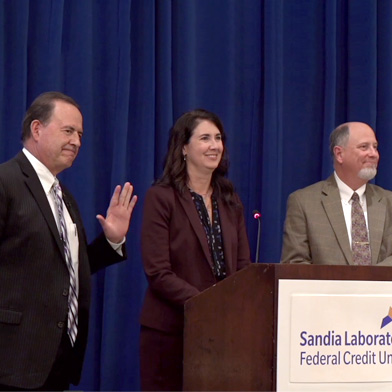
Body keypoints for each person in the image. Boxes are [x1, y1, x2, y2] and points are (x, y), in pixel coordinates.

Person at [0, 91, 137, 391]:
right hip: (11, 360)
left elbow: (69, 269)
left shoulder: (63, 196)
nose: (77, 141)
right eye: (68, 131)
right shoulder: (5, 182)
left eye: (80, 134)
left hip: (56, 361)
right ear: (37, 129)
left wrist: (112, 240)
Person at [139, 109, 251, 391]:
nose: (214, 145)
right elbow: (157, 272)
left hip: (223, 332)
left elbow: (243, 266)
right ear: (184, 147)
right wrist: (208, 302)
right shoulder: (161, 197)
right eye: (205, 138)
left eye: (218, 138)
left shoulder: (229, 198)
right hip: (170, 332)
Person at [281, 121, 392, 266]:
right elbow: (294, 264)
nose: (373, 154)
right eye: (364, 147)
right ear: (339, 154)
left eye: (375, 147)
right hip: (323, 289)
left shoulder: (388, 201)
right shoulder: (304, 202)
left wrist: (368, 282)